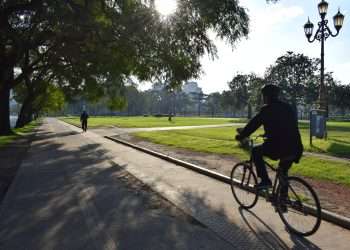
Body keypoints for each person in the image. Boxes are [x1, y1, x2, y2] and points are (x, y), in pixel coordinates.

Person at [235, 84, 303, 190]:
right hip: (295, 147)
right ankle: (282, 203)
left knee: (256, 151)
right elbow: (286, 126)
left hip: (279, 146)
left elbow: (254, 124)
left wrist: (242, 136)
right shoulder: (287, 107)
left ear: (266, 96)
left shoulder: (267, 109)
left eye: (263, 96)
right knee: (282, 174)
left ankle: (265, 181)